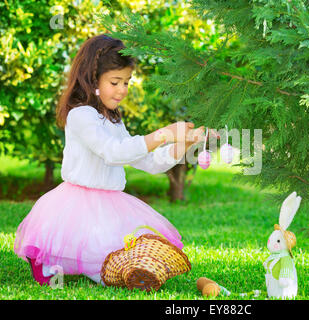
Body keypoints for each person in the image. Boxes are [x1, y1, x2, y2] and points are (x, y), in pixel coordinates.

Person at [14, 34, 218, 287]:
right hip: (76, 207)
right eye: (115, 82)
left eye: (126, 82)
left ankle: (111, 267)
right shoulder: (81, 116)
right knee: (104, 268)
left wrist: (184, 143)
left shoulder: (112, 119)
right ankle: (52, 259)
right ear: (92, 78)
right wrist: (163, 133)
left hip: (109, 209)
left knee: (126, 259)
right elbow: (113, 151)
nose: (122, 90)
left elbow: (149, 163)